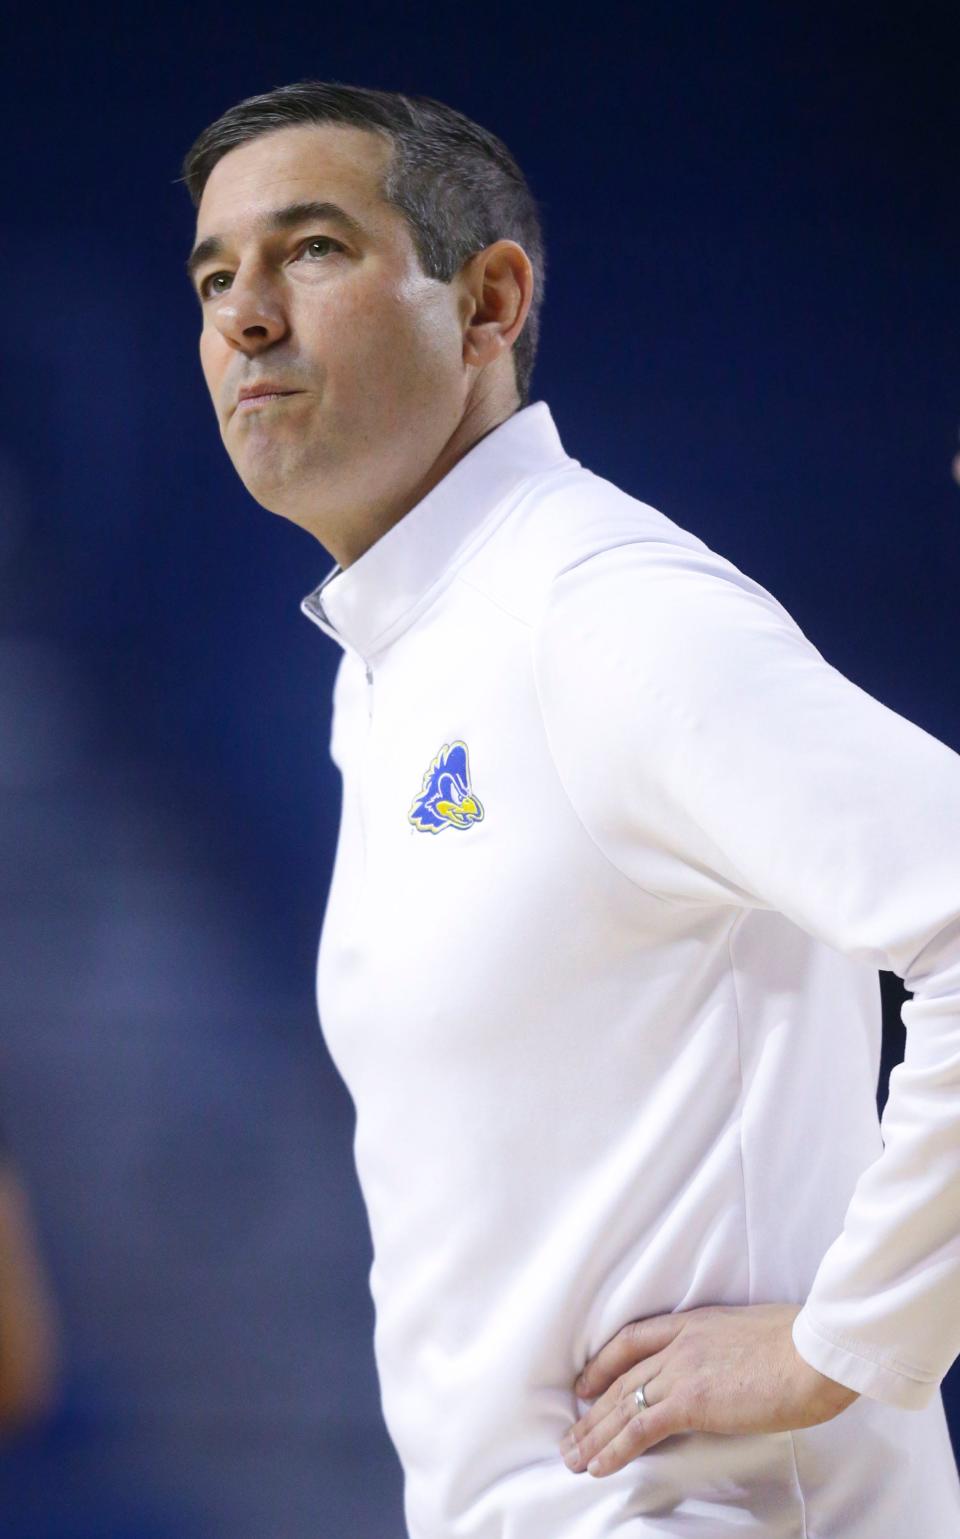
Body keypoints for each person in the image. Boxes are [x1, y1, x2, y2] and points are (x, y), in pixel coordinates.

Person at [178, 80, 960, 1537]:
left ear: (488, 303)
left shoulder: (598, 614)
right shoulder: (404, 652)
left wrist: (845, 1343)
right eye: (216, 276)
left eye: (315, 251)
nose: (246, 317)